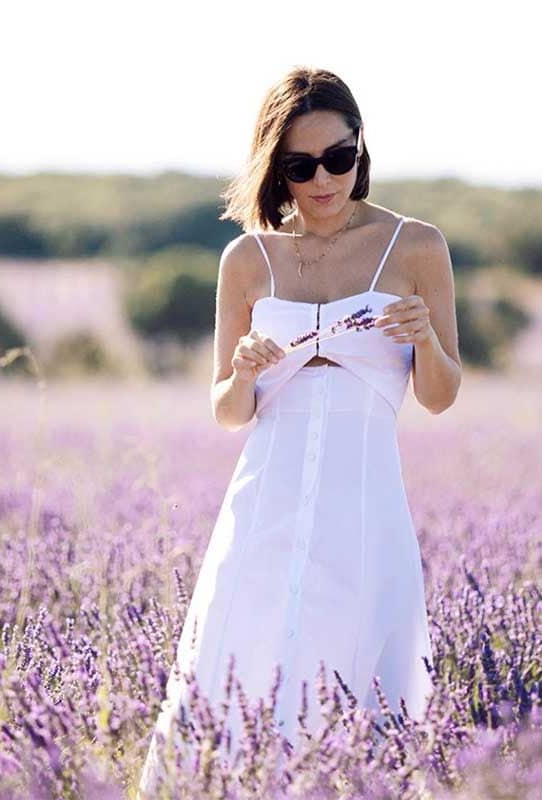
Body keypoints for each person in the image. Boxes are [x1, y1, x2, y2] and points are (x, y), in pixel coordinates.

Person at [138, 66, 461, 796]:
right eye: (301, 165)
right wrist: (244, 373)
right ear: (275, 167)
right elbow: (226, 409)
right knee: (241, 675)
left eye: (339, 158)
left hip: (364, 509)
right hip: (264, 510)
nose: (324, 180)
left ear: (360, 148)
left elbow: (440, 395)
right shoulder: (247, 258)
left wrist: (428, 344)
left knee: (359, 693)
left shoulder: (416, 247)